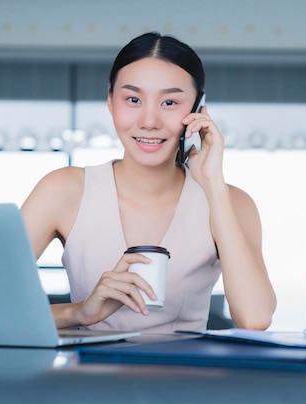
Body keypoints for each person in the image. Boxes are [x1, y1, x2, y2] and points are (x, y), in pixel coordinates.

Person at [20, 32, 276, 333]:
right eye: (132, 99)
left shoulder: (231, 202)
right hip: (85, 378)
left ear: (197, 110)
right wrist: (79, 313)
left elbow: (255, 318)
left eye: (169, 102)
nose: (149, 121)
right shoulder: (64, 189)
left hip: (189, 377)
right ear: (110, 102)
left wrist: (213, 184)